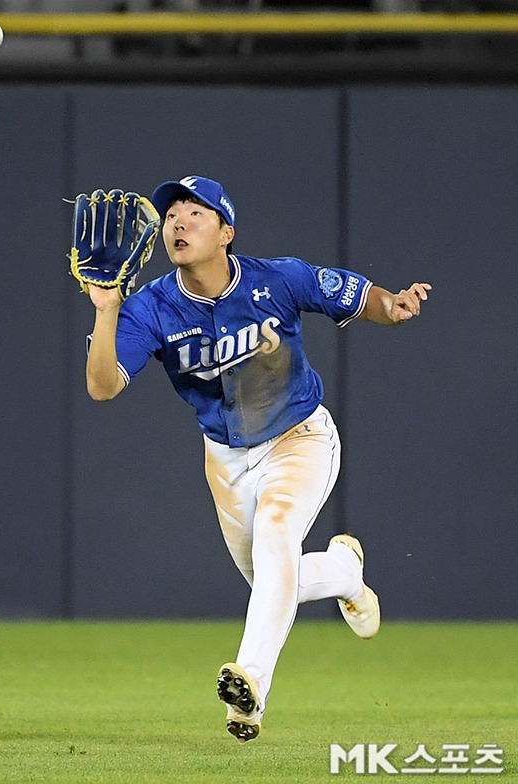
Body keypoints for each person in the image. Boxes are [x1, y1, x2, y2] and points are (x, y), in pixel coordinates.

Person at [83, 175, 431, 744]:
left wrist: (391, 306)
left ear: (226, 232)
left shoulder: (277, 278)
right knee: (274, 581)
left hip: (300, 437)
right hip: (226, 462)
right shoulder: (150, 307)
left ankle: (249, 689)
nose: (178, 222)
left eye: (196, 213)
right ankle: (344, 573)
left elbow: (350, 292)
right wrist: (105, 309)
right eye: (172, 213)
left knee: (276, 536)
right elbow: (101, 387)